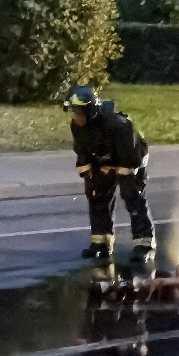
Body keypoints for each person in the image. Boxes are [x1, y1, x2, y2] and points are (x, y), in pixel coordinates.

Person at [65, 85, 155, 263]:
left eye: (78, 112)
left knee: (131, 195)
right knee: (96, 194)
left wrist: (116, 170)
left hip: (130, 160)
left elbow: (129, 157)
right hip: (105, 161)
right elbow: (82, 152)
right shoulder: (78, 126)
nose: (75, 116)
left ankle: (145, 245)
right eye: (73, 112)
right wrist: (89, 172)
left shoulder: (118, 125)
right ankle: (101, 243)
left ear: (89, 111)